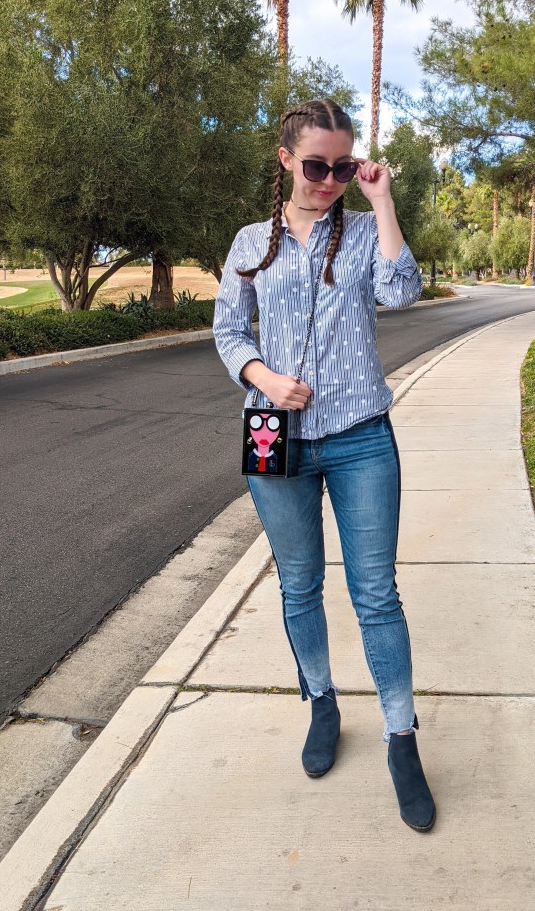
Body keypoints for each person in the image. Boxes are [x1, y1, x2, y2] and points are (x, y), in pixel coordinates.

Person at [213, 98, 436, 832]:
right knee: (299, 584)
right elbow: (227, 330)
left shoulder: (367, 230)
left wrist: (383, 197)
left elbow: (404, 292)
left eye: (342, 167)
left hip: (360, 435)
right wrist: (265, 379)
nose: (330, 179)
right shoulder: (250, 240)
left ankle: (401, 739)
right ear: (285, 160)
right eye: (317, 166)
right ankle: (321, 702)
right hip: (274, 435)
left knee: (376, 594)